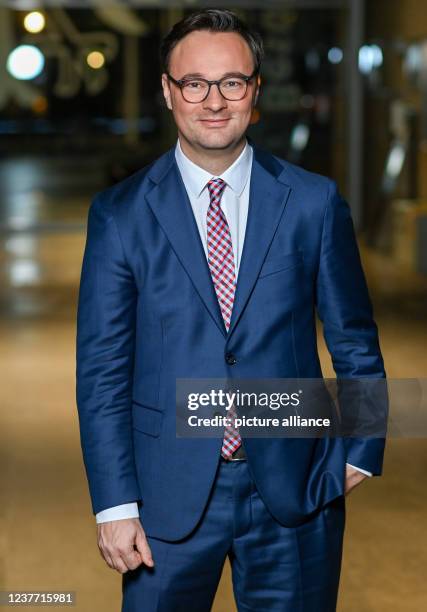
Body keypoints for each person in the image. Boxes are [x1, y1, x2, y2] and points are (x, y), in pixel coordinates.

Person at [76, 8, 386, 612]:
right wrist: (114, 505)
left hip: (296, 490)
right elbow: (103, 373)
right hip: (164, 498)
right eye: (194, 83)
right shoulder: (119, 215)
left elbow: (354, 338)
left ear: (255, 91)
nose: (213, 101)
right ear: (168, 91)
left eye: (231, 83)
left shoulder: (313, 202)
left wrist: (361, 452)